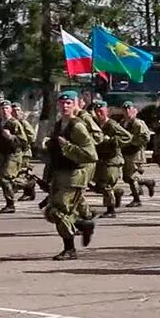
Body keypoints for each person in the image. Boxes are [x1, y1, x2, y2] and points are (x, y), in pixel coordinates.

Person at [46, 91, 98, 260]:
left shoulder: (77, 126)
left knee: (59, 211)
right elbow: (54, 154)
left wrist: (67, 146)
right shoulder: (58, 124)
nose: (65, 106)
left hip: (73, 175)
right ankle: (82, 224)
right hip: (59, 173)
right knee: (50, 212)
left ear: (76, 104)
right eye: (62, 103)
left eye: (69, 102)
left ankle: (70, 249)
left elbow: (91, 154)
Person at [89, 99, 132, 218]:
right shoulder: (95, 125)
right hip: (101, 160)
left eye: (101, 111)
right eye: (97, 111)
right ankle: (117, 192)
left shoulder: (112, 125)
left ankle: (111, 210)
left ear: (106, 111)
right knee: (97, 186)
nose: (99, 114)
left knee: (105, 185)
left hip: (113, 160)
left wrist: (112, 140)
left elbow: (127, 136)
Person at [118, 102, 156, 207]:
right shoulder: (122, 123)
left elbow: (145, 137)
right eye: (124, 109)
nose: (127, 111)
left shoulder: (138, 123)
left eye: (129, 109)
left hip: (135, 153)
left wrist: (131, 141)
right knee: (126, 177)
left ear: (135, 110)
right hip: (126, 152)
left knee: (130, 177)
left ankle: (136, 199)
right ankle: (147, 182)